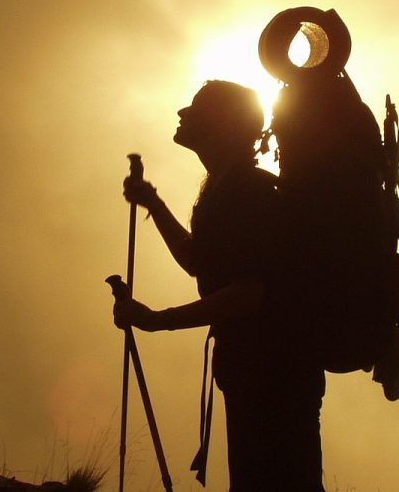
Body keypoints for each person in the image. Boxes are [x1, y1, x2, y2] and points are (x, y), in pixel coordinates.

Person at [114, 80, 327, 491]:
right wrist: (154, 205)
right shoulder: (228, 190)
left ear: (225, 123)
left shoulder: (247, 191)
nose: (183, 113)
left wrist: (159, 320)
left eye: (197, 107)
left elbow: (249, 293)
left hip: (273, 373)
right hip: (262, 370)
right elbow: (200, 262)